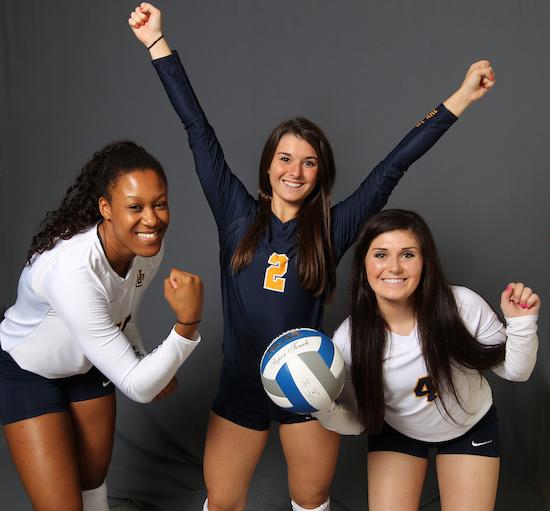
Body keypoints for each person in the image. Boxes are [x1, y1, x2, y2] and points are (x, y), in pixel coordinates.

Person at [128, 4, 496, 510]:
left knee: (311, 496)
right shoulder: (235, 214)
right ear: (268, 166)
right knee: (223, 499)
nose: (295, 171)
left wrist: (460, 98)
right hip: (240, 385)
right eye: (285, 158)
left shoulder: (332, 228)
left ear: (320, 174)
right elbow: (197, 129)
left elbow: (393, 167)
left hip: (307, 383)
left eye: (309, 162)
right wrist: (157, 44)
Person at [0, 140, 204, 511]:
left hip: (89, 367)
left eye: (160, 204)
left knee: (94, 490)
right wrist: (187, 324)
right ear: (105, 209)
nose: (152, 219)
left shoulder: (147, 247)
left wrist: (143, 358)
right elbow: (138, 388)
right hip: (28, 372)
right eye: (135, 207)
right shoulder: (73, 271)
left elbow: (122, 320)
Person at [314, 209, 540, 511]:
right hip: (397, 431)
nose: (393, 267)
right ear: (364, 263)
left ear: (425, 261)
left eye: (407, 255)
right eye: (381, 254)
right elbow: (357, 422)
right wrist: (322, 407)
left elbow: (517, 371)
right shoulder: (349, 339)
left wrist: (521, 323)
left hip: (469, 426)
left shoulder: (462, 306)